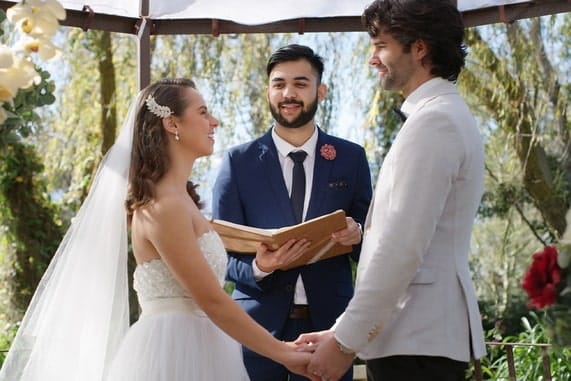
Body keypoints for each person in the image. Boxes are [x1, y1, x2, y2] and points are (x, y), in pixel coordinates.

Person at [0, 78, 313, 381]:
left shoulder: (184, 202)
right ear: (172, 124)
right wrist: (282, 352)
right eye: (203, 112)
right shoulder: (163, 207)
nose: (214, 121)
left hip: (204, 346)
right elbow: (212, 300)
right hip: (171, 352)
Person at [296, 1, 487, 381]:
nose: (372, 59)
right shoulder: (440, 116)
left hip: (417, 342)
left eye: (380, 44)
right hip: (414, 339)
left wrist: (344, 343)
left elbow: (401, 247)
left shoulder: (435, 122)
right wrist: (339, 332)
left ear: (419, 47)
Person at [212, 44, 372, 381]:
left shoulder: (351, 157)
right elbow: (217, 254)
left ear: (320, 91)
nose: (288, 93)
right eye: (279, 84)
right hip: (255, 330)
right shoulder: (237, 162)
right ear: (268, 91)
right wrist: (259, 267)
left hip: (331, 329)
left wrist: (358, 233)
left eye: (300, 83)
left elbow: (374, 243)